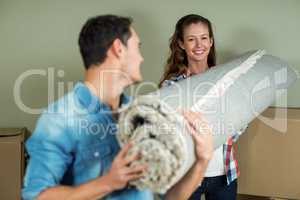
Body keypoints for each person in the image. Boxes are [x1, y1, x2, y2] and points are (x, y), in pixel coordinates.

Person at [22, 15, 213, 200]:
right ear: (118, 49)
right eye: (137, 48)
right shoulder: (60, 119)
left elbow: (165, 198)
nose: (141, 58)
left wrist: (201, 161)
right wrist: (109, 182)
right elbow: (38, 196)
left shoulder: (138, 113)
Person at [159, 14, 242, 200]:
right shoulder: (171, 87)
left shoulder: (226, 80)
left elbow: (241, 120)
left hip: (223, 174)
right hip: (184, 176)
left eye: (204, 38)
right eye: (191, 39)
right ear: (181, 44)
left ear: (211, 41)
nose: (199, 45)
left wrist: (222, 130)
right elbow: (167, 133)